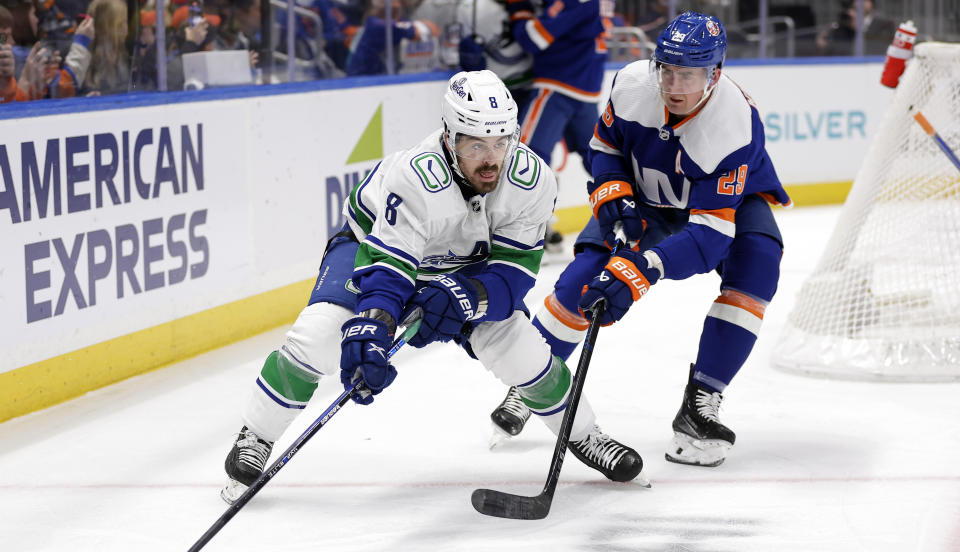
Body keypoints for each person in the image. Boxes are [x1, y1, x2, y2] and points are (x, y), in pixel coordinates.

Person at [219, 70, 644, 504]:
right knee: (320, 335)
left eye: (501, 142)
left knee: (523, 351)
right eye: (476, 144)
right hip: (373, 250)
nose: (491, 158)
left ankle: (585, 434)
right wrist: (375, 323)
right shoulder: (415, 176)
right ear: (450, 136)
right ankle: (257, 434)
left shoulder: (531, 180)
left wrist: (469, 296)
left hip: (468, 269)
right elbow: (389, 266)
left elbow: (515, 272)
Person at [490, 12, 790, 468]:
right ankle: (532, 380)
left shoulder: (735, 124)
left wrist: (641, 270)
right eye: (666, 70)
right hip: (646, 198)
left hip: (722, 208)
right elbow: (605, 147)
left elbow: (709, 236)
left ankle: (700, 403)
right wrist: (612, 193)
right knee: (582, 281)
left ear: (715, 73)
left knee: (757, 266)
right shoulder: (632, 85)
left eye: (688, 73)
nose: (673, 84)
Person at [500, 0, 611, 254]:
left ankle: (526, 232)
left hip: (558, 84)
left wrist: (520, 10)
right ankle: (635, 210)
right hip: (584, 87)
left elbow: (532, 37)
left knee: (523, 157)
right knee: (599, 159)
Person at [815, 0, 897, 56]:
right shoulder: (846, 24)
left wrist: (859, 29)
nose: (860, 3)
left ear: (872, 3)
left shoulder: (885, 24)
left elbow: (881, 46)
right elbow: (834, 48)